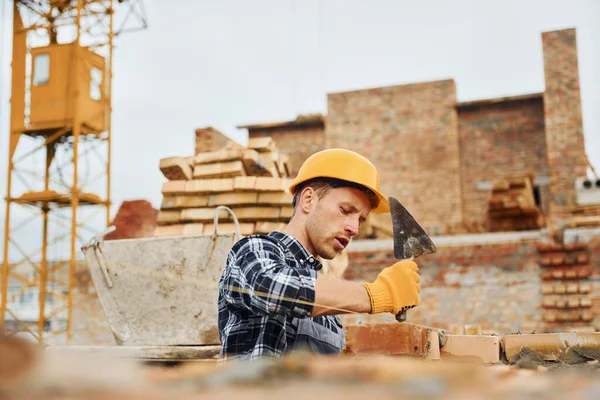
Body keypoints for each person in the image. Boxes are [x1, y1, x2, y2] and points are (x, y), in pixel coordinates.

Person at [217, 148, 421, 361]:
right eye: (345, 210)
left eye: (360, 219)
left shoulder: (328, 310)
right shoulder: (254, 251)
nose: (354, 229)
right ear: (308, 200)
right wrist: (376, 294)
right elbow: (273, 287)